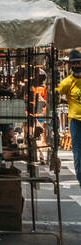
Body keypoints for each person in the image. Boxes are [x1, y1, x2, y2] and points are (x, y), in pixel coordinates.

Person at [57, 49, 81, 188]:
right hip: (76, 122)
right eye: (74, 63)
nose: (77, 65)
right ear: (70, 65)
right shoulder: (67, 82)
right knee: (78, 155)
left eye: (78, 63)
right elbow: (56, 95)